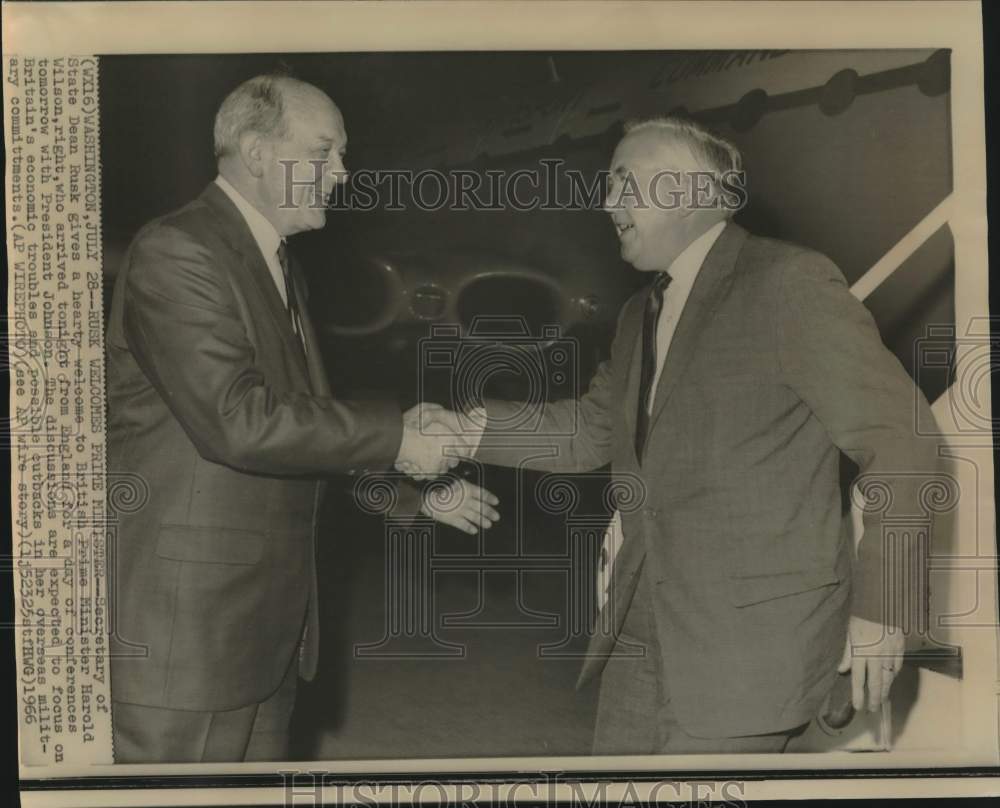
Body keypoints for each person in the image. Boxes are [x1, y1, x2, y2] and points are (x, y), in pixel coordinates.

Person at [460, 116, 939, 753]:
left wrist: (883, 609)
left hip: (749, 648)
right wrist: (463, 432)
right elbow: (588, 431)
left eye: (623, 183)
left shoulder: (788, 284)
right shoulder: (639, 312)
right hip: (638, 629)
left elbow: (903, 441)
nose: (607, 203)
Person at [105, 74, 494, 763]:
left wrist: (413, 494)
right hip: (188, 642)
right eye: (323, 153)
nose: (341, 175)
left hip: (262, 636)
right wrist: (401, 435)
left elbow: (302, 438)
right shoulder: (179, 251)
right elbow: (240, 422)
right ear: (256, 151)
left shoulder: (278, 264)